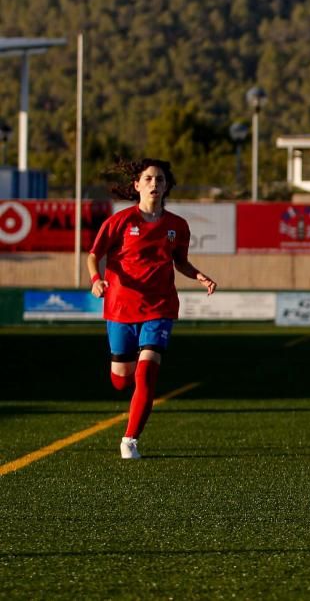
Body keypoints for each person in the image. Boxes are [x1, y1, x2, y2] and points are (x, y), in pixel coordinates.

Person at [88, 158, 217, 460]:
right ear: (136, 185)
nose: (154, 184)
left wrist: (198, 275)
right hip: (120, 307)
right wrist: (96, 280)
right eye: (148, 179)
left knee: (146, 374)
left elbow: (180, 261)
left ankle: (130, 440)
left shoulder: (177, 226)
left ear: (166, 186)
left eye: (159, 179)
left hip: (159, 307)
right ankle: (129, 385)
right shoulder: (120, 221)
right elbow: (94, 254)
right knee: (121, 379)